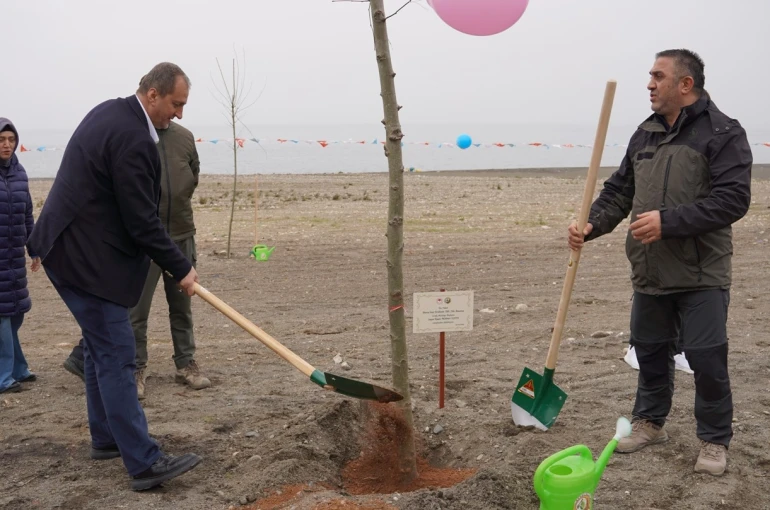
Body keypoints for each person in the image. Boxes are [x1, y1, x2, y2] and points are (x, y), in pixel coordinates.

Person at [567, 49, 752, 477]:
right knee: (649, 353)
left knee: (706, 360)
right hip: (650, 270)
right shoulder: (645, 133)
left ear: (685, 84)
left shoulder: (723, 132)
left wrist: (669, 222)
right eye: (650, 76)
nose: (649, 84)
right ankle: (650, 423)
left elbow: (733, 200)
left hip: (701, 272)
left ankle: (713, 440)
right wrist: (590, 224)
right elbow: (619, 190)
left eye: (658, 76)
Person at [28, 62, 203, 491]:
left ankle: (106, 438)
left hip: (71, 247)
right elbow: (141, 220)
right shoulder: (132, 137)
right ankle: (144, 462)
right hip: (79, 257)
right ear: (153, 95)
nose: (179, 114)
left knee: (98, 346)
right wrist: (181, 267)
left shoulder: (113, 111)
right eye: (176, 104)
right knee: (117, 352)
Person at [62, 115, 210, 399]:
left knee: (182, 305)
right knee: (136, 311)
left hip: (181, 234)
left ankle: (185, 363)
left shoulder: (185, 137)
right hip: (147, 241)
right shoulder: (138, 137)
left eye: (182, 105)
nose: (177, 112)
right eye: (174, 104)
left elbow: (193, 177)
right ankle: (137, 367)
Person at [0, 119, 41, 394]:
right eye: (1, 139)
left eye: (11, 140)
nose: (7, 145)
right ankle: (3, 376)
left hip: (13, 255)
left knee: (15, 314)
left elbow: (27, 213)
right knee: (2, 316)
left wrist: (34, 248)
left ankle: (18, 368)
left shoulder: (20, 173)